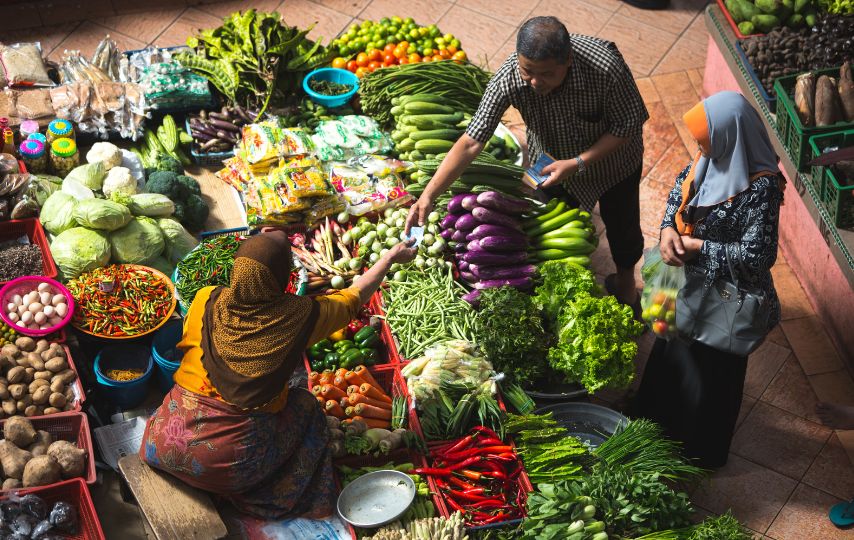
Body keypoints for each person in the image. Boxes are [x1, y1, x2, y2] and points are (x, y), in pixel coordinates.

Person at [139, 231, 416, 519]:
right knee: (305, 404)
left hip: (161, 444)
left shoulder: (205, 298)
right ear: (283, 278)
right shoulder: (299, 317)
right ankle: (268, 496)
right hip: (228, 470)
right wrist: (389, 258)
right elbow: (352, 299)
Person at [405, 16, 649, 309]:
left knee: (623, 229)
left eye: (546, 74)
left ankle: (625, 286)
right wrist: (428, 195)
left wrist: (577, 163)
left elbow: (628, 125)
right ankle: (566, 291)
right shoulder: (510, 76)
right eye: (527, 71)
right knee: (544, 221)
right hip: (548, 160)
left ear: (568, 61)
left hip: (613, 162)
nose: (534, 82)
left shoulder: (604, 67)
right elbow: (471, 140)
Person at [635, 91, 784, 468]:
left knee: (711, 375)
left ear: (730, 136)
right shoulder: (709, 158)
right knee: (672, 352)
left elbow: (758, 258)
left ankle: (700, 450)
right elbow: (677, 194)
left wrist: (700, 246)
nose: (699, 148)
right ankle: (654, 426)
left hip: (723, 301)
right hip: (685, 288)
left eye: (705, 139)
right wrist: (669, 228)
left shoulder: (761, 189)